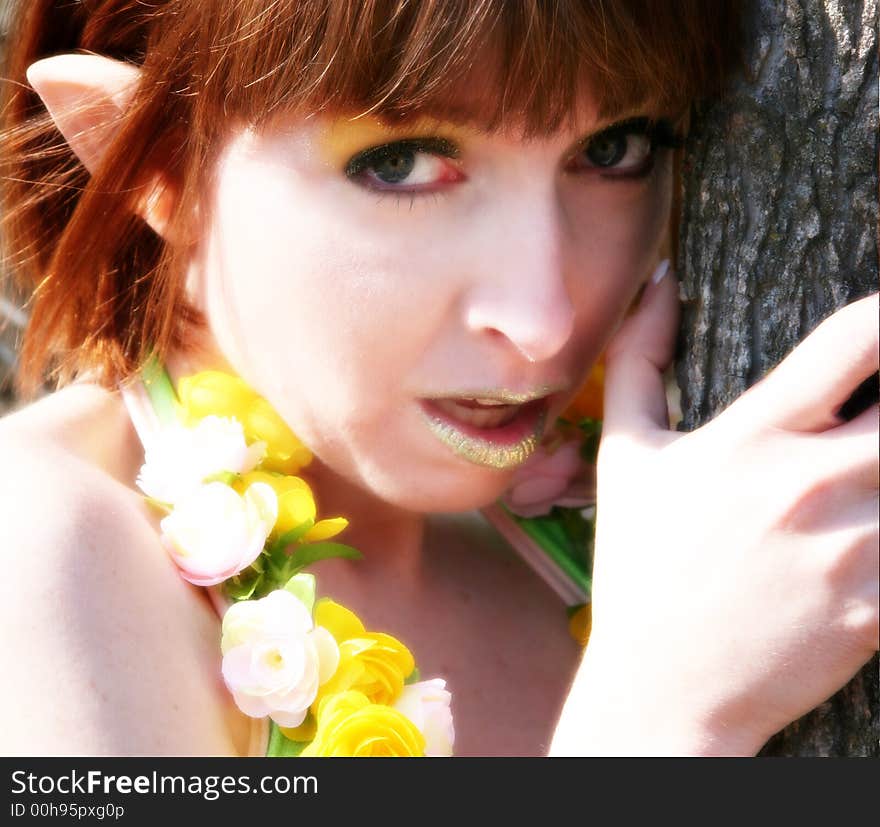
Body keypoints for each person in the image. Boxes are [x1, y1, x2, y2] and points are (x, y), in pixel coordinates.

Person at [0, 0, 876, 757]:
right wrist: (669, 705)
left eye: (615, 147)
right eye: (401, 163)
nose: (543, 321)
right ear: (151, 166)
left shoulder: (627, 514)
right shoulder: (40, 542)